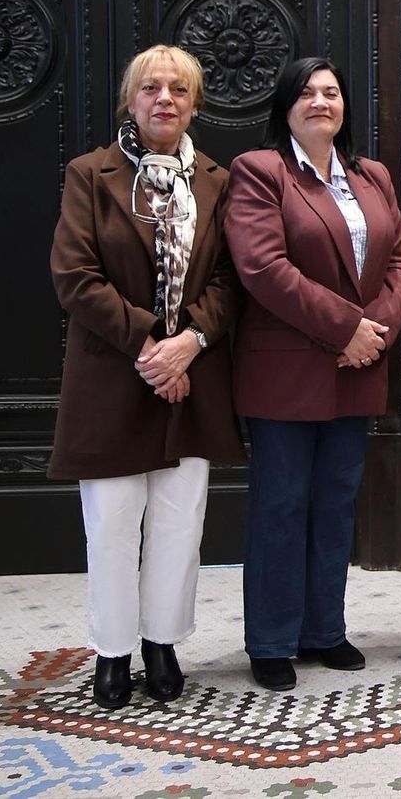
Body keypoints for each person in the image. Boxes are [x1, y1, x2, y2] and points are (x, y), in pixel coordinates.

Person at [49, 44, 245, 709]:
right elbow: (76, 276)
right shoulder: (89, 174)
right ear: (130, 101)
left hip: (192, 377)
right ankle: (112, 652)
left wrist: (187, 342)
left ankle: (162, 643)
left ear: (195, 104)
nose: (165, 98)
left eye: (179, 89)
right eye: (152, 88)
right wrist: (151, 346)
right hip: (113, 375)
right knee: (109, 524)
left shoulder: (219, 180)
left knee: (179, 520)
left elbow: (230, 280)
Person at [226, 56, 401, 692]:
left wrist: (374, 333)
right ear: (285, 106)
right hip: (289, 370)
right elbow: (263, 268)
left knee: (336, 503)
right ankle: (272, 638)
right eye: (306, 93)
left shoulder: (373, 175)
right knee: (281, 503)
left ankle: (323, 629)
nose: (320, 102)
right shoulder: (260, 172)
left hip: (359, 365)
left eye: (331, 92)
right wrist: (347, 329)